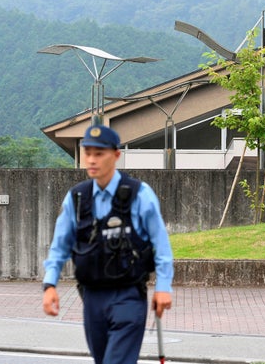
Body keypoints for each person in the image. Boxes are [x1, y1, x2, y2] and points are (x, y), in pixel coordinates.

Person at [42, 124, 173, 364]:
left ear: (115, 155)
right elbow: (60, 245)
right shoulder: (77, 198)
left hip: (128, 295)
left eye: (99, 153)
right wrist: (50, 284)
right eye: (87, 153)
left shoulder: (139, 194)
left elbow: (161, 244)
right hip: (91, 297)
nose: (91, 160)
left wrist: (163, 286)